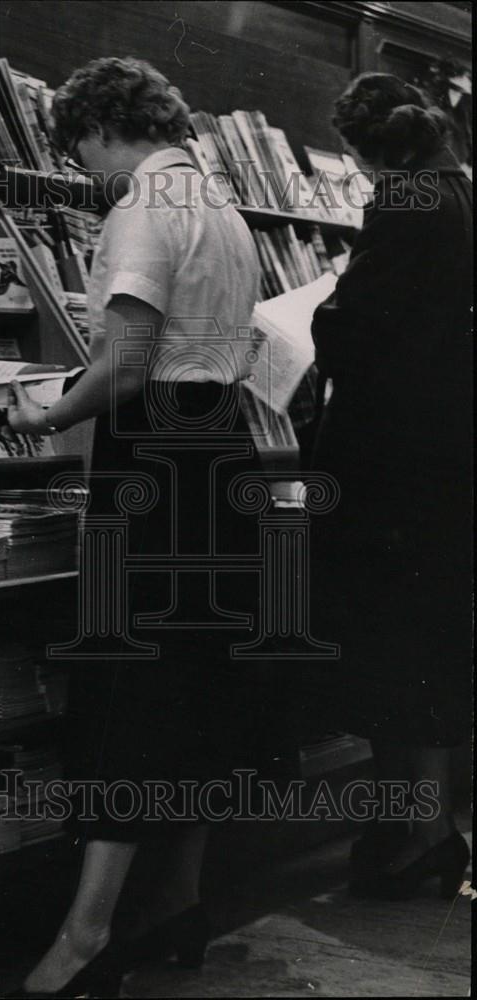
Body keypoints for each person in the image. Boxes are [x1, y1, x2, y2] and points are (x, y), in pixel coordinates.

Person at [6, 56, 269, 998]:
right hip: (220, 450)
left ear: (100, 130)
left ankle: (83, 939)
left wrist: (43, 416)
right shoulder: (225, 207)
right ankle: (177, 907)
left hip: (152, 453)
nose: (83, 171)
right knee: (193, 680)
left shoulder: (140, 207)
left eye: (78, 150)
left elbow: (122, 364)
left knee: (128, 686)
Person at [309, 73, 472, 898]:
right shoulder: (461, 193)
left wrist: (318, 314)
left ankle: (409, 832)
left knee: (382, 647)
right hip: (447, 465)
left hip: (388, 468)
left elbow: (352, 327)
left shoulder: (405, 199)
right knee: (433, 649)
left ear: (368, 151)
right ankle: (431, 827)